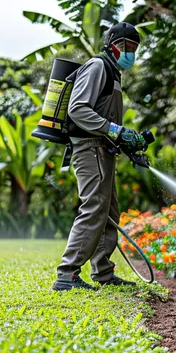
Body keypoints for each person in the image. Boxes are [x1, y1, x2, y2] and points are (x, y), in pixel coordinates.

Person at [53, 22, 149, 291]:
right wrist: (115, 130)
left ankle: (103, 272)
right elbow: (78, 109)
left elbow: (106, 121)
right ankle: (67, 274)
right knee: (94, 207)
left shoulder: (115, 74)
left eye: (135, 48)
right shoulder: (98, 66)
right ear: (113, 45)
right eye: (127, 47)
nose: (131, 52)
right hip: (89, 147)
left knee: (108, 211)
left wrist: (129, 143)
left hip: (103, 148)